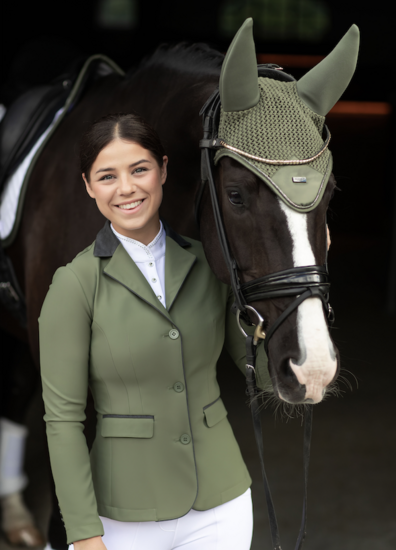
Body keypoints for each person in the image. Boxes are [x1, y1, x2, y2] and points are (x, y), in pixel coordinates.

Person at [39, 113, 269, 550]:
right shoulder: (74, 284)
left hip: (221, 501)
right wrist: (84, 532)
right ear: (88, 186)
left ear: (163, 169)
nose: (126, 188)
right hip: (123, 513)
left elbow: (261, 373)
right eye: (107, 176)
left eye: (139, 169)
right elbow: (63, 421)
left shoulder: (210, 264)